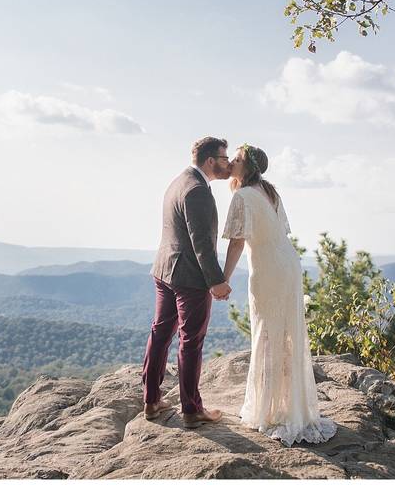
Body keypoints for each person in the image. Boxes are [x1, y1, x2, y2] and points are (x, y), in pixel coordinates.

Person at [221, 143, 337, 446]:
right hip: (287, 262)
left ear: (247, 167)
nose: (232, 161)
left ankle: (270, 409)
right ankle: (287, 405)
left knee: (268, 332)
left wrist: (223, 278)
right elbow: (280, 231)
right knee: (284, 332)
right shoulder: (269, 192)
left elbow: (236, 242)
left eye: (237, 158)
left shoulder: (243, 196)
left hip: (269, 268)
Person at [141, 136, 233, 429]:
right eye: (223, 158)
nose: (228, 163)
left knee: (160, 333)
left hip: (164, 270)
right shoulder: (197, 191)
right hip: (189, 278)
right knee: (190, 341)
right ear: (210, 161)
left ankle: (151, 400)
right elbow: (202, 243)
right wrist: (216, 281)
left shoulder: (178, 181)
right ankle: (191, 410)